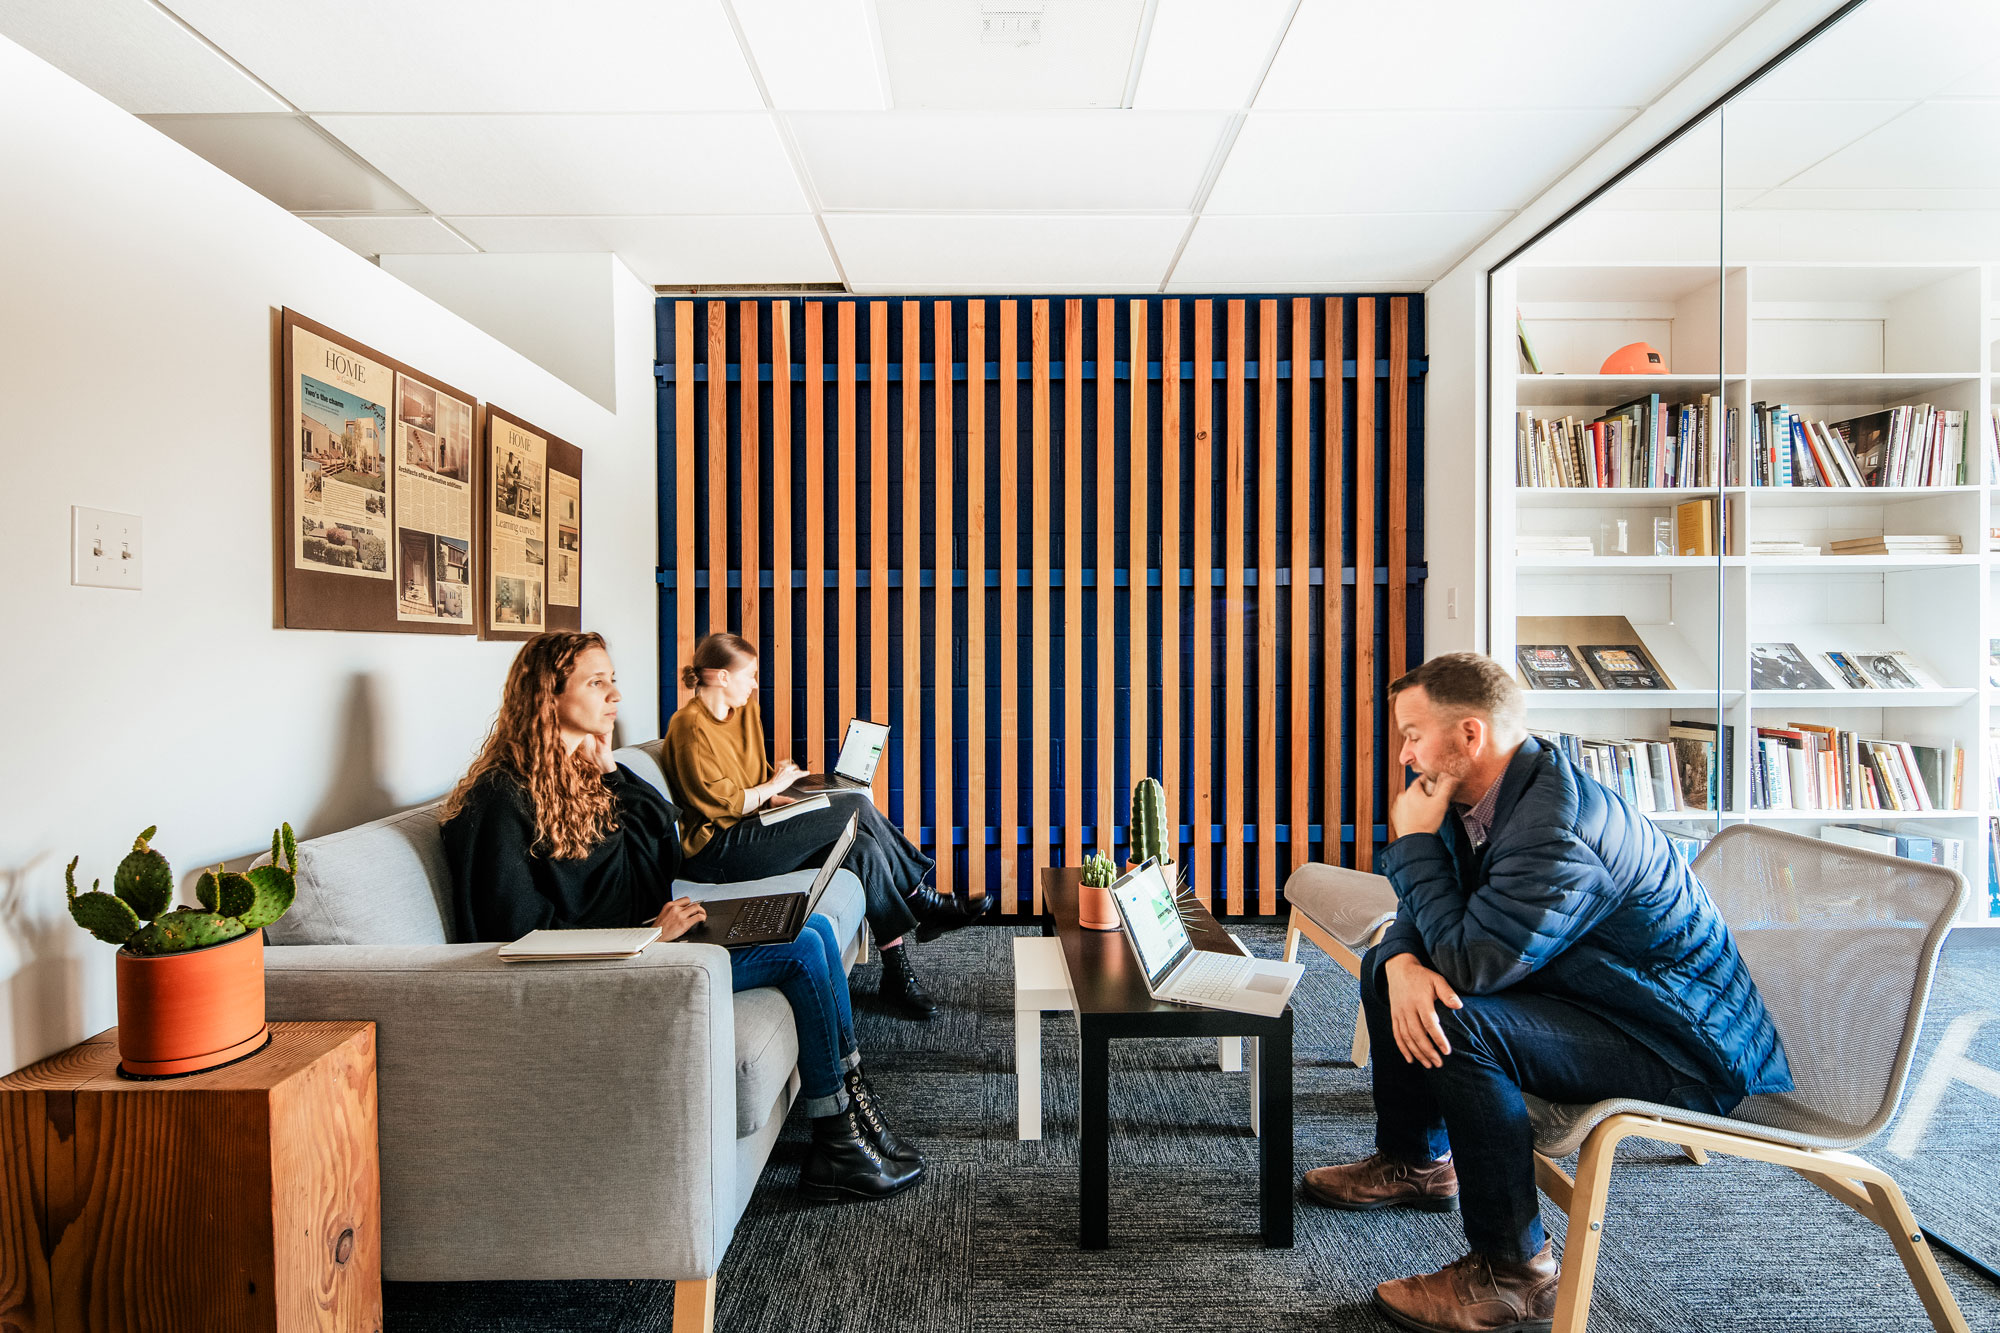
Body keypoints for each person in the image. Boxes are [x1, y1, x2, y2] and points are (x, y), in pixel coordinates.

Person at [1302, 652, 1791, 1333]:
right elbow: (1436, 911)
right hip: (1600, 999)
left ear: (1469, 735)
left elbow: (1474, 963)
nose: (1405, 751)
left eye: (1414, 732)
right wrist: (1402, 959)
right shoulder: (1481, 793)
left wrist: (1411, 844)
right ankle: (1415, 1160)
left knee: (1456, 1017)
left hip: (1681, 1046)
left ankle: (1517, 1272)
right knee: (1390, 967)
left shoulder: (1555, 825)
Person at [440, 630, 922, 1203]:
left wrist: (611, 770)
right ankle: (839, 1141)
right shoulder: (501, 800)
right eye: (598, 683)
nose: (615, 695)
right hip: (616, 965)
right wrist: (648, 934)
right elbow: (516, 937)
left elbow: (658, 844)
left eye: (613, 679)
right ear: (547, 696)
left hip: (654, 935)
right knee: (800, 947)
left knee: (811, 924)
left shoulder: (579, 774)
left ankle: (848, 1111)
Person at [661, 631, 992, 1021]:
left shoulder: (744, 712)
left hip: (754, 824)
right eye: (748, 674)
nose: (755, 683)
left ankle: (897, 973)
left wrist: (781, 800)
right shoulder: (687, 727)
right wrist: (775, 786)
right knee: (854, 802)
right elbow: (724, 803)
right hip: (717, 850)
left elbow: (751, 780)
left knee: (862, 848)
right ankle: (922, 898)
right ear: (720, 677)